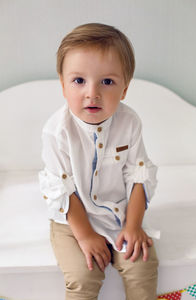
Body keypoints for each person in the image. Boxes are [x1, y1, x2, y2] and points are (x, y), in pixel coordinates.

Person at [39, 23, 159, 300]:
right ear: (63, 84)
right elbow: (63, 189)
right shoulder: (56, 131)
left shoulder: (129, 122)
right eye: (79, 80)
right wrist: (85, 236)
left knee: (142, 265)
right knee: (83, 276)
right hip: (72, 220)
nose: (92, 93)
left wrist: (133, 225)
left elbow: (138, 175)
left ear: (125, 89)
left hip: (118, 214)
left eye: (107, 82)